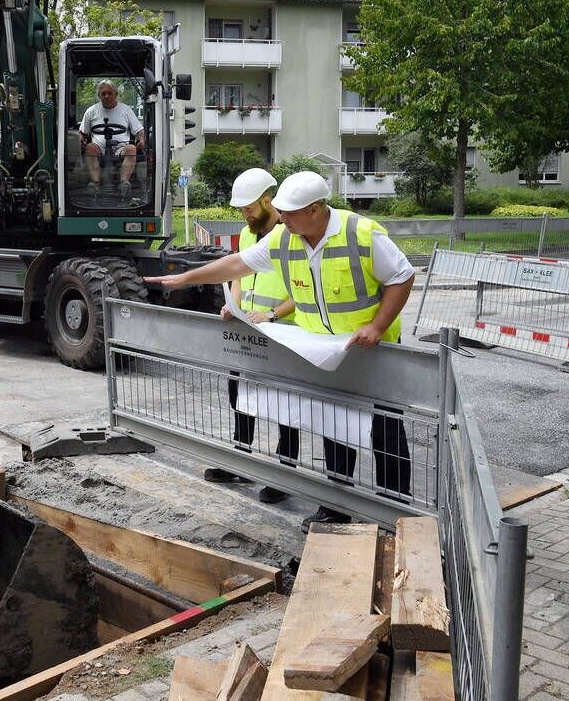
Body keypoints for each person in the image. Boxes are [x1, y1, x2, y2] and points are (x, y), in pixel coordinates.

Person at [146, 171, 415, 531]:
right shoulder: (285, 238)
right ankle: (336, 508)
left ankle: (394, 513)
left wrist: (378, 326)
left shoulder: (360, 233)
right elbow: (237, 264)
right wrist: (185, 278)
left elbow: (402, 276)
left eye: (290, 213)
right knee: (335, 425)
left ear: (315, 209)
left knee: (385, 430)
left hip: (373, 351)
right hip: (325, 350)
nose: (283, 218)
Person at [204, 168, 300, 506]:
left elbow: (302, 290)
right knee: (240, 394)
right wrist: (233, 305)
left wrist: (273, 314)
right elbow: (238, 276)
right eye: (241, 209)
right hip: (249, 331)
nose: (244, 214)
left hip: (282, 332)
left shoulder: (291, 236)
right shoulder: (247, 234)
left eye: (248, 208)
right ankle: (240, 458)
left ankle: (285, 473)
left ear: (267, 200)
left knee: (285, 407)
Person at [79, 80, 145, 196]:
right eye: (103, 94)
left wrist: (142, 140)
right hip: (99, 149)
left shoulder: (126, 110)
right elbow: (82, 132)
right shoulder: (91, 111)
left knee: (131, 149)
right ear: (99, 95)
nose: (106, 96)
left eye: (109, 93)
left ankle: (124, 184)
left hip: (120, 149)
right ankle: (95, 184)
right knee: (90, 148)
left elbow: (139, 130)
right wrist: (80, 140)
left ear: (116, 94)